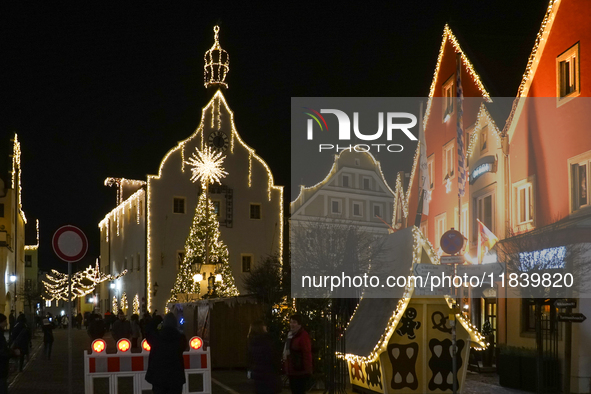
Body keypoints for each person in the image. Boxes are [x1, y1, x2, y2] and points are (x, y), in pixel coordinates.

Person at [145, 313, 186, 394]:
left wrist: (157, 319)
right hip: (176, 377)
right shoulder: (181, 338)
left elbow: (148, 330)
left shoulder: (157, 337)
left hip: (158, 377)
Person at [248, 320, 281, 394]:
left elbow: (249, 359)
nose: (266, 327)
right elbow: (273, 358)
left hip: (257, 376)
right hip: (269, 376)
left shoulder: (252, 342)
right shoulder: (267, 341)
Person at [283, 314, 312, 394]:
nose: (292, 324)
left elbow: (306, 353)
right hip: (292, 370)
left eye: (294, 322)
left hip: (300, 370)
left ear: (299, 324)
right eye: (291, 322)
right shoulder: (290, 335)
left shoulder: (303, 336)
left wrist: (308, 370)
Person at [0, 313, 19, 394]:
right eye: (4, 322)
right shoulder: (0, 336)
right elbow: (2, 351)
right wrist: (13, 353)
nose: (6, 324)